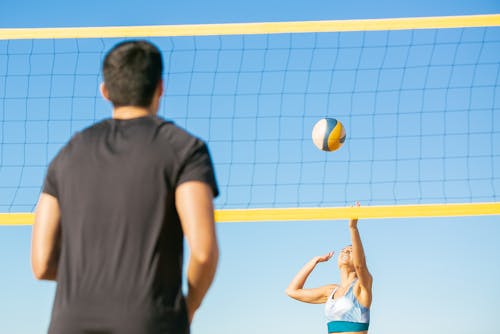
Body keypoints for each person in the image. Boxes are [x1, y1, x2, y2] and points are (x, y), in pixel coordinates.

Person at [31, 40, 219, 334]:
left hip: (70, 323)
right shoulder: (184, 148)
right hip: (150, 321)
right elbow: (204, 252)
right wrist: (187, 308)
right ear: (160, 87)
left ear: (105, 92)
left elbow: (41, 264)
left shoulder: (68, 153)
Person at [286, 203, 372, 334]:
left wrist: (353, 227)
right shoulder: (330, 291)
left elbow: (360, 266)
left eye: (350, 251)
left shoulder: (361, 286)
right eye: (343, 250)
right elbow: (292, 291)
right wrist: (314, 261)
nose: (345, 252)